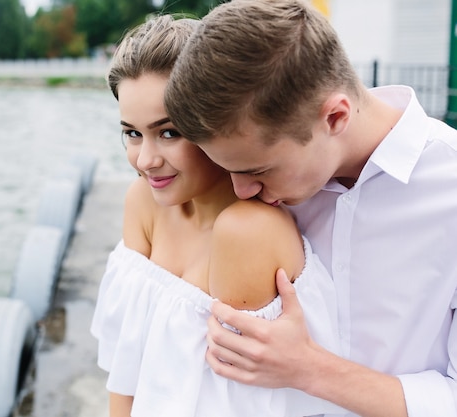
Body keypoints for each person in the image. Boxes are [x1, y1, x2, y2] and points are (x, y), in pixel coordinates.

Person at [163, 1, 457, 417]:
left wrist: (308, 369)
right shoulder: (275, 184)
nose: (242, 191)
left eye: (258, 170)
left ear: (335, 117)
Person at [91, 14, 347, 417]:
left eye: (169, 132)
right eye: (132, 133)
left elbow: (237, 403)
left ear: (214, 125)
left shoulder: (247, 232)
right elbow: (124, 369)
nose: (145, 159)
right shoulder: (143, 202)